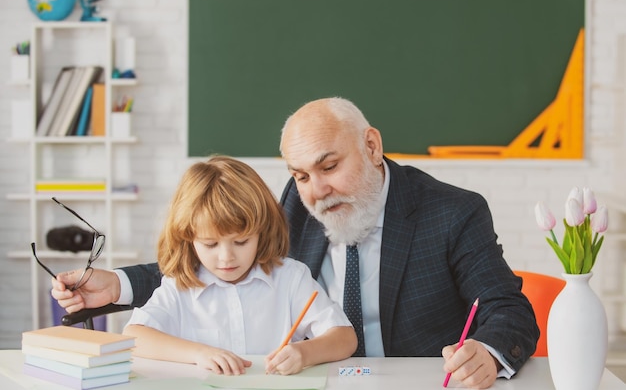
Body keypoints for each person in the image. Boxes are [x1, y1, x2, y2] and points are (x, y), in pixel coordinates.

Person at [52, 97, 539, 389]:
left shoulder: (452, 211)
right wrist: (116, 284)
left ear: (371, 146)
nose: (317, 191)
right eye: (301, 175)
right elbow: (221, 262)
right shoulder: (297, 201)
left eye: (330, 167)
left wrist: (487, 352)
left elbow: (507, 309)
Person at [120, 156, 357, 375]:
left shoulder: (290, 278)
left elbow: (345, 338)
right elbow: (134, 335)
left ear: (261, 233)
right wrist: (198, 353)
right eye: (210, 244)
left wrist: (305, 353)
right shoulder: (181, 286)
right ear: (188, 239)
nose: (226, 258)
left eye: (241, 241)